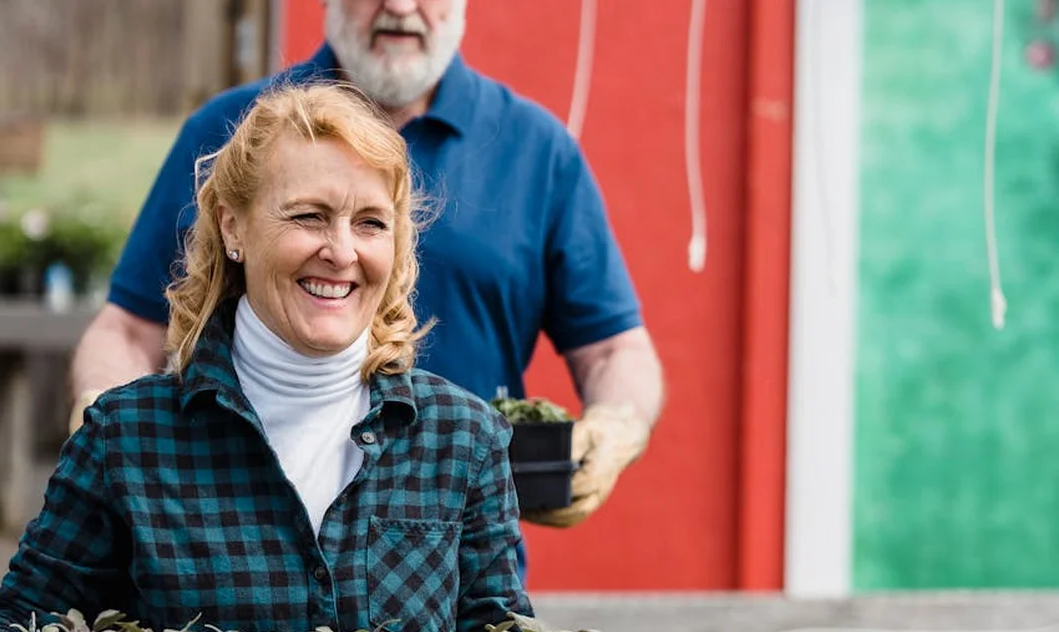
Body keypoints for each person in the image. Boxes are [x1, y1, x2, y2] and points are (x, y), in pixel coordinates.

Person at [0, 84, 641, 632]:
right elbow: (20, 617)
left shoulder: (463, 439)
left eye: (371, 223)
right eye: (309, 216)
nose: (342, 251)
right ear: (233, 227)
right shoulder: (128, 437)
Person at [69, 0, 663, 536]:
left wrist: (616, 427)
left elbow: (614, 350)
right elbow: (130, 328)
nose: (400, 7)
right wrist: (103, 419)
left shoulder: (538, 152)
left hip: (455, 563)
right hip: (233, 548)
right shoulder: (232, 134)